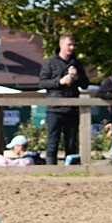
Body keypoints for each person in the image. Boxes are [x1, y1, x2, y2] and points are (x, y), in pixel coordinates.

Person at [38, 33, 89, 165]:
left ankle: (71, 168)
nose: (71, 48)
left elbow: (85, 84)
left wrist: (77, 77)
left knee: (72, 141)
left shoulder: (77, 64)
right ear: (61, 44)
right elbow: (42, 83)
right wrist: (60, 81)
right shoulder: (49, 63)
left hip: (72, 108)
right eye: (69, 44)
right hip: (54, 108)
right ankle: (51, 168)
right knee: (53, 140)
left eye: (73, 45)